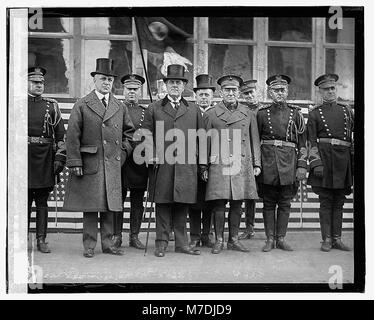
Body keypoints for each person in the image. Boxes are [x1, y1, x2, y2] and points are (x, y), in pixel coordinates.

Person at [63, 58, 135, 258]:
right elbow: (72, 136)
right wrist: (75, 161)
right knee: (91, 207)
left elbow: (129, 134)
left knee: (110, 206)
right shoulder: (82, 104)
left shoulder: (119, 106)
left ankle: (108, 244)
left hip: (113, 163)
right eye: (103, 79)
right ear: (94, 80)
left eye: (110, 80)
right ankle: (89, 245)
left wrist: (122, 153)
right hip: (90, 163)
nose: (107, 83)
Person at [141, 64, 204, 257]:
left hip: (187, 166)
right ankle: (161, 243)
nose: (175, 86)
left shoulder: (193, 109)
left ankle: (182, 244)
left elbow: (201, 138)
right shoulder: (154, 108)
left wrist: (202, 164)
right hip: (163, 165)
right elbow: (145, 134)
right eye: (171, 82)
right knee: (163, 204)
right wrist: (150, 154)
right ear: (165, 85)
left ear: (184, 86)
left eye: (178, 82)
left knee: (182, 205)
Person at [202, 75, 261, 254]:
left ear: (238, 92)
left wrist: (256, 163)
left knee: (237, 203)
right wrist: (203, 166)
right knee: (219, 203)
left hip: (241, 163)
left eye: (234, 90)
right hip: (218, 164)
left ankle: (233, 240)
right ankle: (219, 240)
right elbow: (204, 142)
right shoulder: (211, 114)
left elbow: (254, 140)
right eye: (227, 90)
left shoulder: (247, 113)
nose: (230, 93)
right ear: (221, 92)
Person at [257, 74, 308, 252]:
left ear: (287, 92)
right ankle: (270, 239)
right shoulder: (261, 114)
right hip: (268, 161)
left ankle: (281, 238)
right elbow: (255, 141)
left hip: (289, 162)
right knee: (268, 202)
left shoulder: (296, 114)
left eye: (282, 90)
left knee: (285, 202)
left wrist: (302, 165)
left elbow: (303, 142)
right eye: (276, 90)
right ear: (270, 93)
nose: (279, 93)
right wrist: (257, 164)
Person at [307, 74, 353, 252]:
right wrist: (315, 163)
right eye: (326, 89)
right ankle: (326, 239)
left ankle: (337, 238)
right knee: (326, 202)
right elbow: (310, 142)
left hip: (343, 161)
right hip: (324, 161)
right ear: (320, 92)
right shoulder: (314, 114)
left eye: (333, 88)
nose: (330, 92)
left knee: (339, 202)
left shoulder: (347, 111)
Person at [28, 66, 66, 253]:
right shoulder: (16, 105)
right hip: (23, 160)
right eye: (35, 82)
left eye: (41, 83)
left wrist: (59, 157)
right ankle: (21, 240)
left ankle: (41, 239)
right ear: (26, 83)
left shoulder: (52, 106)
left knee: (42, 202)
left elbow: (61, 136)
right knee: (23, 203)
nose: (39, 85)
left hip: (45, 160)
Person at [113, 74, 147, 250]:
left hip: (139, 163)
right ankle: (116, 236)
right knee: (118, 200)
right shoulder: (116, 108)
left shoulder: (145, 111)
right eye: (129, 89)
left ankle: (134, 236)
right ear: (123, 90)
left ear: (140, 91)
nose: (132, 92)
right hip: (121, 160)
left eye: (135, 89)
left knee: (137, 201)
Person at [189, 74, 215, 249]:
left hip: (213, 164)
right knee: (194, 201)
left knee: (210, 201)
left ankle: (207, 235)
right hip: (192, 164)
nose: (204, 97)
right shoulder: (189, 112)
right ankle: (195, 235)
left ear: (212, 96)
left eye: (207, 94)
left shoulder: (216, 114)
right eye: (201, 94)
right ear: (195, 96)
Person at [238, 79, 260, 240]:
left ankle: (272, 232)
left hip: (264, 155)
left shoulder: (265, 110)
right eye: (246, 93)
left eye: (252, 92)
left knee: (267, 194)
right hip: (246, 154)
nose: (249, 96)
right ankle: (249, 227)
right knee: (247, 193)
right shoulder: (242, 111)